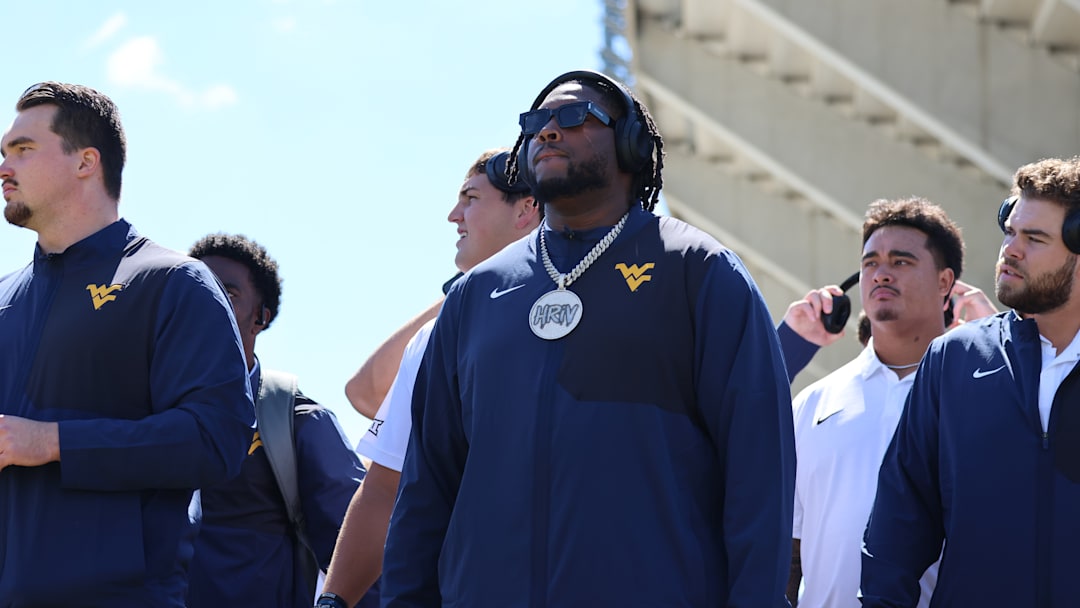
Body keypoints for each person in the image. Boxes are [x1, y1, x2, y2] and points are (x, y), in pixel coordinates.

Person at [379, 69, 795, 607]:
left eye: (574, 116)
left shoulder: (699, 271)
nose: (548, 130)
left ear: (630, 144)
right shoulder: (474, 296)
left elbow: (758, 470)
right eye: (537, 122)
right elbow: (427, 487)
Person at [0, 82, 253, 605]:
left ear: (85, 161)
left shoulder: (172, 282)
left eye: (22, 150)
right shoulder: (3, 297)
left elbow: (216, 439)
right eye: (5, 153)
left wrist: (51, 442)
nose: (5, 166)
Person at [316, 149, 541, 608]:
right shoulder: (440, 334)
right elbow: (382, 477)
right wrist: (332, 601)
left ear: (527, 209)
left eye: (471, 198)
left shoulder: (603, 315)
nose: (452, 215)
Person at [862, 156, 1080, 606]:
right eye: (1010, 232)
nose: (1011, 250)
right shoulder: (953, 359)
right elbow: (898, 522)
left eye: (1034, 238)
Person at [785, 198, 969, 608]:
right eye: (870, 263)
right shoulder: (813, 402)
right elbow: (791, 547)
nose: (881, 274)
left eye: (901, 262)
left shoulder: (978, 397)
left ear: (945, 283)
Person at [185, 234, 377, 607]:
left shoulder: (297, 422)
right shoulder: (137, 411)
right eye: (194, 288)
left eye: (228, 293)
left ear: (260, 317)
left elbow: (362, 558)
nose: (205, 302)